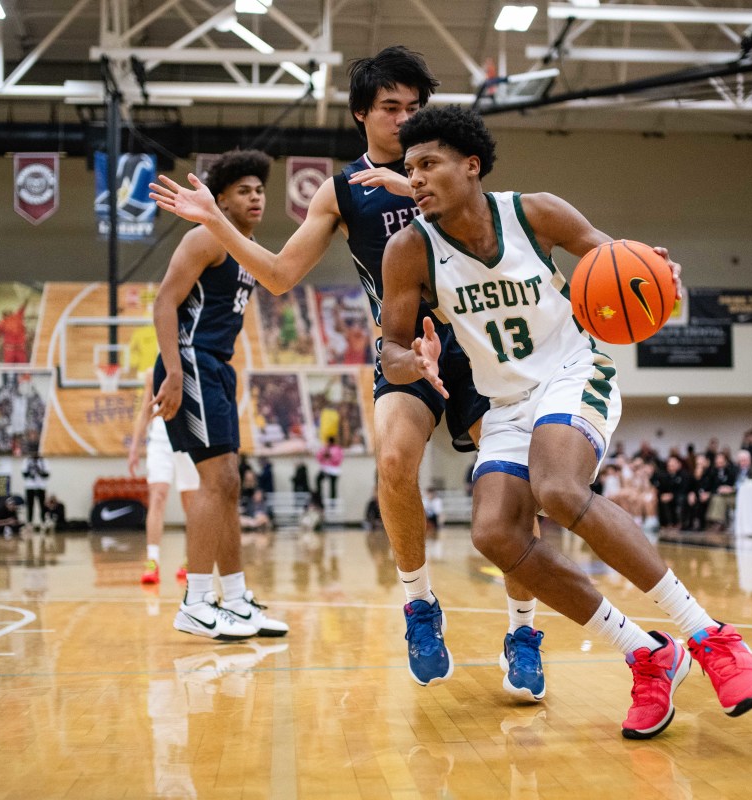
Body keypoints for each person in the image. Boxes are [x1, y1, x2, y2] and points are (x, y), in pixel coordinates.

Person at [150, 47, 540, 694]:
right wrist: (215, 219)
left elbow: (500, 243)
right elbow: (276, 275)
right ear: (362, 113)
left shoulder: (445, 168)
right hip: (401, 350)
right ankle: (419, 605)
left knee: (516, 490)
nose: (405, 119)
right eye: (392, 108)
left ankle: (524, 631)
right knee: (392, 461)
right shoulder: (341, 190)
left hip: (479, 345)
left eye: (415, 108)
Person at [380, 105, 752, 737]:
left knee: (558, 489)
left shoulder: (535, 214)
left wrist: (659, 274)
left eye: (428, 164)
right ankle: (648, 654)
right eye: (409, 168)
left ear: (471, 165)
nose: (415, 178)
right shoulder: (409, 250)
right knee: (494, 535)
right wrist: (411, 361)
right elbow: (389, 345)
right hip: (503, 403)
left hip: (571, 373)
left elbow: (619, 261)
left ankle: (708, 635)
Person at [150, 149, 287, 641]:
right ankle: (196, 600)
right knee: (214, 482)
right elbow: (164, 302)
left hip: (217, 368)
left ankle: (235, 598)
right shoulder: (206, 237)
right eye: (243, 191)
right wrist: (170, 371)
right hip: (187, 361)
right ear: (221, 199)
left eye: (259, 190)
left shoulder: (246, 247)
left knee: (229, 482)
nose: (255, 198)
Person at [128, 364, 199, 585]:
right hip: (160, 438)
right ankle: (152, 561)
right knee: (157, 496)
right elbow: (145, 412)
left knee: (191, 503)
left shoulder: (192, 366)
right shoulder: (152, 372)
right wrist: (134, 448)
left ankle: (191, 559)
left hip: (187, 436)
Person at [21, 452, 49, 529]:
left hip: (41, 486)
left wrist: (39, 471)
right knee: (30, 505)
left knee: (42, 505)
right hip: (30, 486)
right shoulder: (26, 461)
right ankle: (30, 523)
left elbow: (47, 475)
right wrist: (31, 472)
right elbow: (24, 474)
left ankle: (43, 522)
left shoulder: (44, 461)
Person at [314, 436, 343, 500]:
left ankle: (332, 500)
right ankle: (319, 495)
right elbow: (318, 457)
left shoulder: (337, 449)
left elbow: (338, 460)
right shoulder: (324, 449)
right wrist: (324, 454)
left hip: (333, 470)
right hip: (325, 469)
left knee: (332, 486)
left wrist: (330, 456)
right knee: (318, 479)